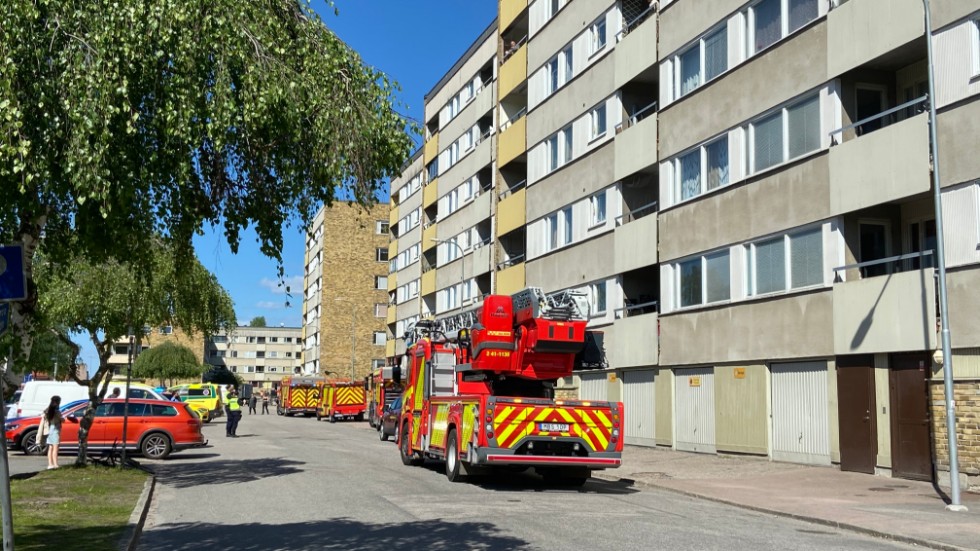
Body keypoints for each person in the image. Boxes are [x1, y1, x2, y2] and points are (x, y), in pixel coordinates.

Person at [39, 395, 63, 469]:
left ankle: (50, 464)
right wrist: (63, 419)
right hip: (55, 430)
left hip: (48, 430)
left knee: (50, 448)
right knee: (55, 448)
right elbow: (61, 419)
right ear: (58, 402)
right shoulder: (57, 411)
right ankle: (55, 464)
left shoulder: (47, 410)